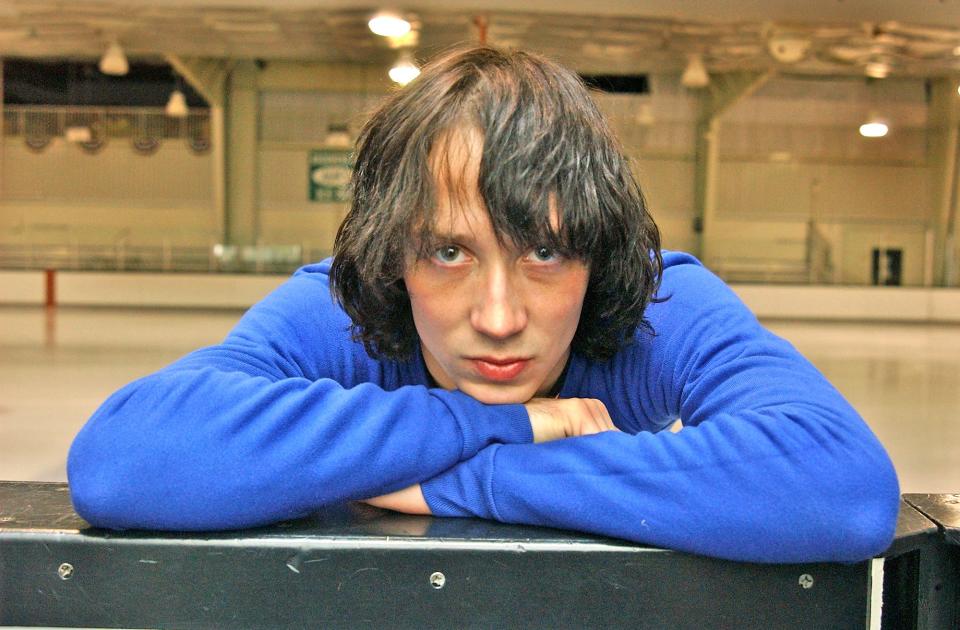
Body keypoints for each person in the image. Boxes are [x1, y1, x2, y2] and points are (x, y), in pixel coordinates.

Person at [67, 45, 899, 563]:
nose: (498, 317)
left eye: (544, 252)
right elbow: (126, 459)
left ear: (599, 254)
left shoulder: (656, 298)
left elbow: (840, 486)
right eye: (449, 252)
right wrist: (515, 421)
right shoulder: (341, 304)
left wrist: (477, 478)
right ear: (394, 254)